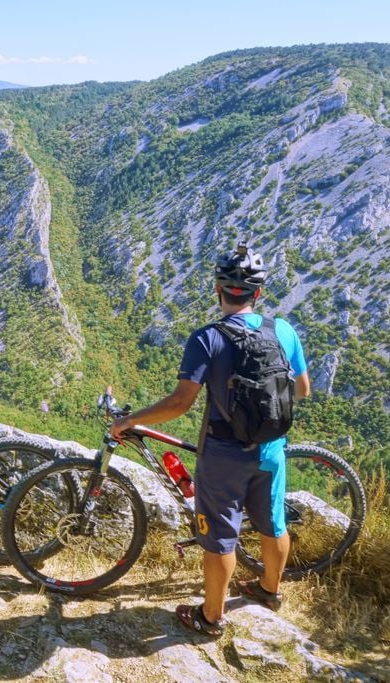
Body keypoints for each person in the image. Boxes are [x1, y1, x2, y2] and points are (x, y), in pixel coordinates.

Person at [111, 242, 310, 637]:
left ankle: (211, 618)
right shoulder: (282, 330)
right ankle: (270, 591)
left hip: (223, 456)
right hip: (271, 449)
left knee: (220, 539)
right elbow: (301, 389)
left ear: (218, 290)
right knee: (273, 523)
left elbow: (181, 403)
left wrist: (131, 420)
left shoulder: (207, 339)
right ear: (258, 293)